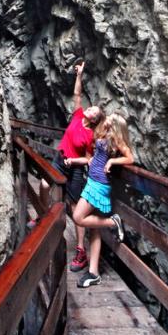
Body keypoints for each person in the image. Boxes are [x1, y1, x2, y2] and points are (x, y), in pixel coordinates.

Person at [36, 60, 104, 272]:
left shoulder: (91, 135)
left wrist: (74, 161)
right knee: (44, 185)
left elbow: (89, 160)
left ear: (95, 119)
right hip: (60, 158)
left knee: (75, 209)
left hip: (74, 168)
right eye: (91, 106)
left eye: (93, 109)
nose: (89, 108)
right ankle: (42, 215)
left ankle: (81, 251)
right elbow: (77, 94)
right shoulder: (77, 116)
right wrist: (79, 75)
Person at [70, 113, 134, 287]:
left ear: (114, 124)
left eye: (109, 119)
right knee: (94, 230)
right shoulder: (104, 134)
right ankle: (93, 273)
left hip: (98, 186)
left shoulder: (115, 139)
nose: (106, 119)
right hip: (93, 181)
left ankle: (113, 223)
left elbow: (130, 157)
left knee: (78, 217)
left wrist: (113, 161)